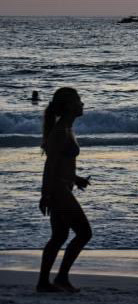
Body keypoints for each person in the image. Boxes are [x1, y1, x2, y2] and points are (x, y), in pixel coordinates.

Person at [37, 87, 92, 293]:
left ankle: (44, 282)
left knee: (59, 237)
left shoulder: (67, 128)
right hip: (58, 190)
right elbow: (50, 166)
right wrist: (46, 195)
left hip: (63, 187)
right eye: (79, 100)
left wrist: (76, 179)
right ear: (69, 106)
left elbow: (62, 163)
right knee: (84, 233)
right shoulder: (60, 131)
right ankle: (60, 278)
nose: (82, 104)